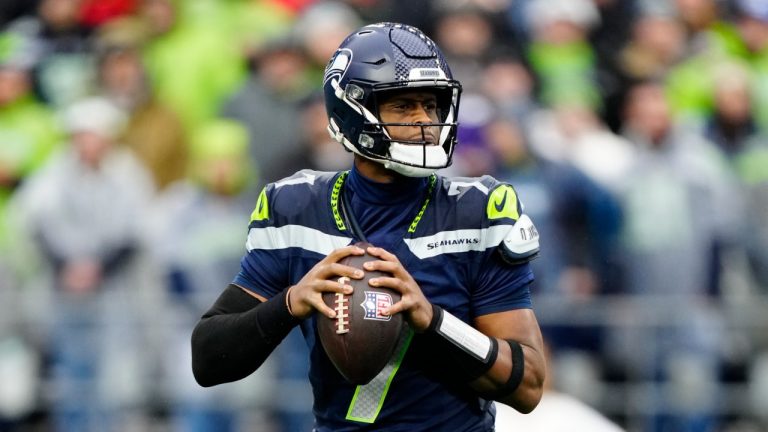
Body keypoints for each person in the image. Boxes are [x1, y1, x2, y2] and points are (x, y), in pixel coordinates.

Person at [191, 22, 546, 431]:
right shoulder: (296, 208)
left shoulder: (476, 211)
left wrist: (433, 321)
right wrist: (289, 303)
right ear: (352, 111)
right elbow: (208, 359)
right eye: (404, 106)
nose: (425, 121)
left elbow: (529, 386)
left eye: (430, 105)